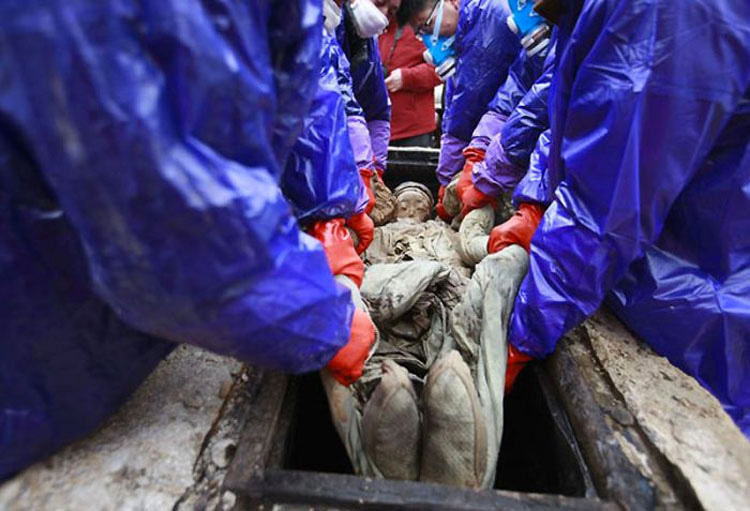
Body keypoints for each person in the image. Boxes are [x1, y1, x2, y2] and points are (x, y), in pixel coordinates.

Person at [0, 0, 364, 481]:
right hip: (35, 339)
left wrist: (330, 202)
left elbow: (296, 79)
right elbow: (171, 230)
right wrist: (325, 320)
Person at [490, 0, 750, 436]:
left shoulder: (663, 13)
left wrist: (525, 330)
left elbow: (609, 199)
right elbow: (580, 111)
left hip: (702, 313)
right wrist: (537, 196)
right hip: (659, 272)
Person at [399, 0, 522, 219]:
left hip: (513, 130)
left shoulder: (488, 18)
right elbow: (456, 93)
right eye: (421, 34)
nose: (430, 39)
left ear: (451, 2)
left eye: (428, 26)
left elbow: (473, 95)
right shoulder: (465, 29)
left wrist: (458, 157)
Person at [378, 14, 441, 147]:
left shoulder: (425, 21)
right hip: (374, 128)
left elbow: (443, 68)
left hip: (413, 132)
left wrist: (406, 78)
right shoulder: (367, 21)